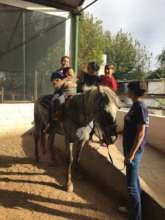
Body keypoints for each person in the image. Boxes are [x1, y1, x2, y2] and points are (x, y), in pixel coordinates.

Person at [120, 81, 149, 220]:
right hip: (129, 148)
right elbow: (130, 126)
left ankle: (136, 217)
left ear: (133, 91)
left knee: (131, 187)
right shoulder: (135, 105)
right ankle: (133, 209)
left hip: (134, 151)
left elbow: (141, 133)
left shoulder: (140, 106)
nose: (127, 91)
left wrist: (130, 155)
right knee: (134, 181)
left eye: (128, 89)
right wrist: (119, 132)